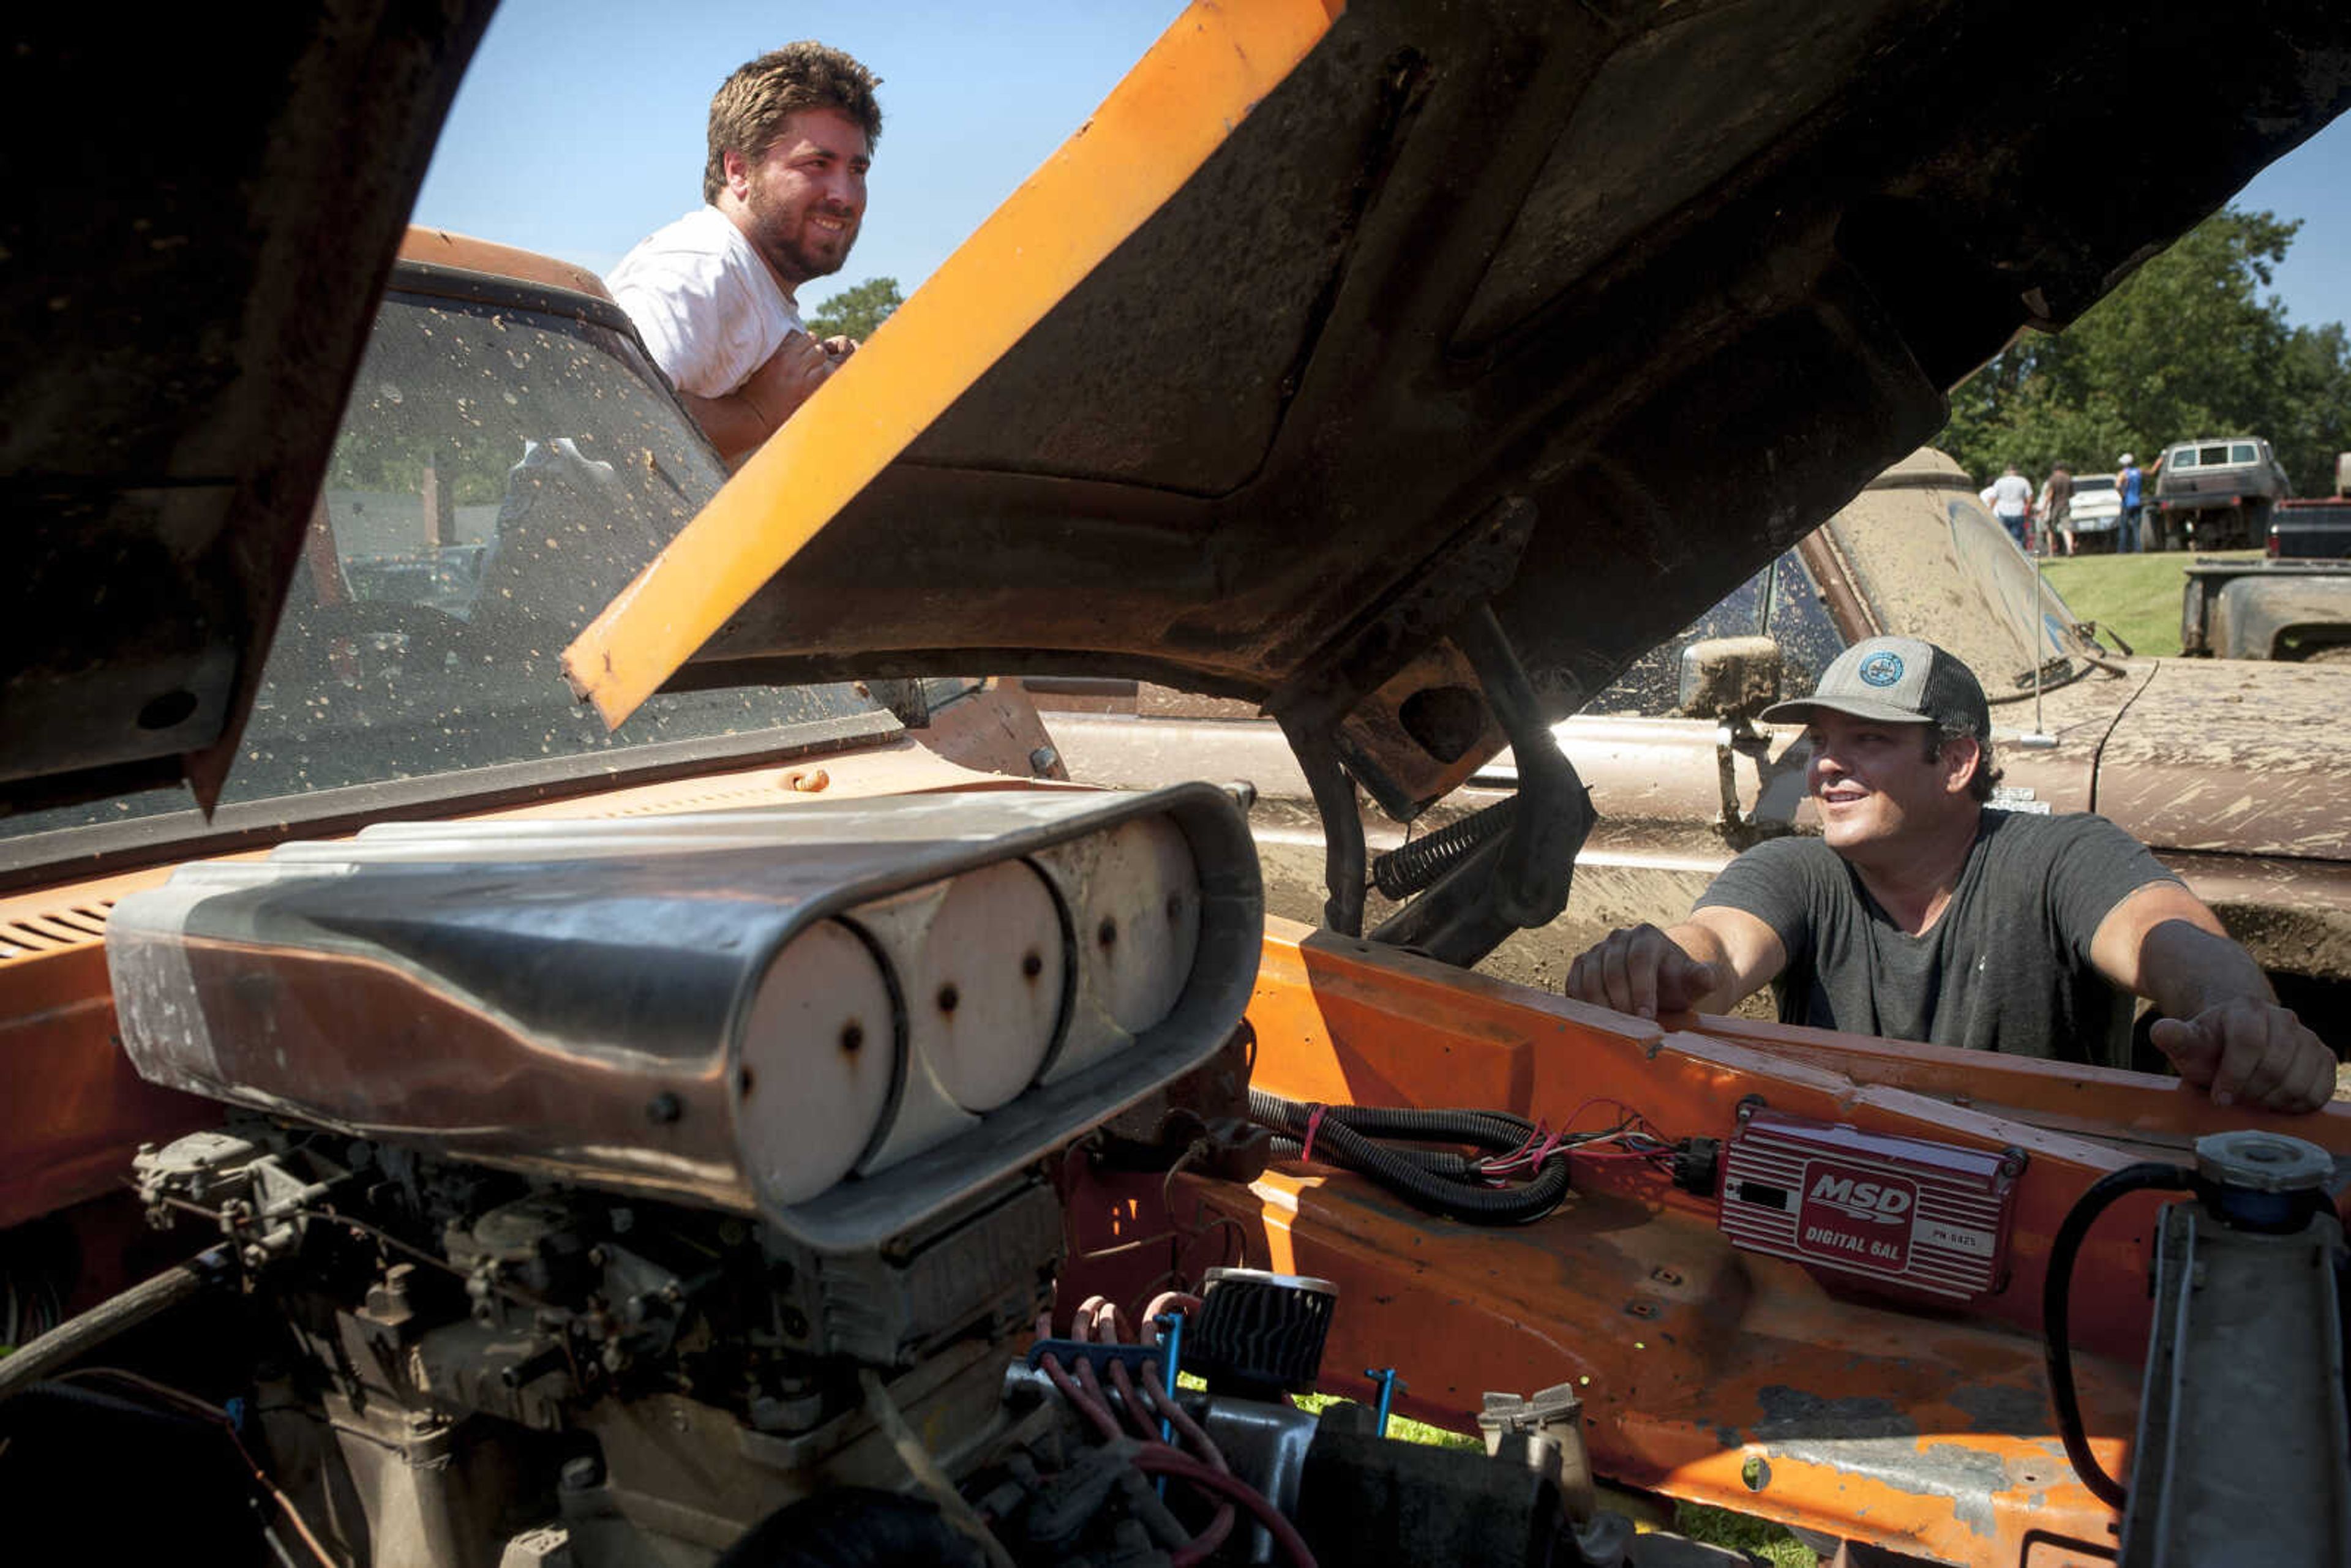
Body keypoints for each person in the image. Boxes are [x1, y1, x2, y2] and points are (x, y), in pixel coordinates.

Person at [1564, 636, 2336, 1112]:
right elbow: (1720, 948)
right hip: (1833, 1204)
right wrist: (1660, 962)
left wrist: (2241, 1015)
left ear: (1958, 761)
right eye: (1822, 738)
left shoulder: (2059, 856)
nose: (1825, 762)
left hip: (2049, 1216)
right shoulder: (1795, 871)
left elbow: (2164, 933)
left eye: (1868, 738)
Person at [608, 42, 881, 465]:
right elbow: (614, 419)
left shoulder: (755, 289)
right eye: (816, 164)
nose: (844, 196)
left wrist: (817, 385)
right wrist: (758, 412)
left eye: (857, 170)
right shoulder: (698, 267)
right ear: (738, 171)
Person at [1979, 464, 2033, 550]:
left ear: (2007, 472)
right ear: (2016, 471)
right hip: (2018, 512)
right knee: (2018, 539)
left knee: (2004, 539)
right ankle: (2019, 561)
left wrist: (1989, 511)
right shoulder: (2023, 481)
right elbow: (2030, 499)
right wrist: (2027, 510)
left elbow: (1993, 499)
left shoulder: (1999, 482)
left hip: (2003, 512)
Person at [2037, 463, 2074, 557]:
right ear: (2062, 469)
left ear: (2054, 470)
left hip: (2055, 507)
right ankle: (2070, 549)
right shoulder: (2068, 478)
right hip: (2066, 505)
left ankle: (2051, 552)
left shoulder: (2052, 479)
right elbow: (2072, 494)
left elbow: (2050, 495)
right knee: (2067, 528)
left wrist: (2044, 509)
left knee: (2050, 529)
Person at [2115, 452, 2145, 553]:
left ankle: (2122, 550)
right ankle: (2138, 549)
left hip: (2127, 502)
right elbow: (2152, 472)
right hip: (2137, 501)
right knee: (2136, 528)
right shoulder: (2138, 472)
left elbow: (2118, 485)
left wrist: (2122, 495)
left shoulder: (2123, 473)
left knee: (2124, 527)